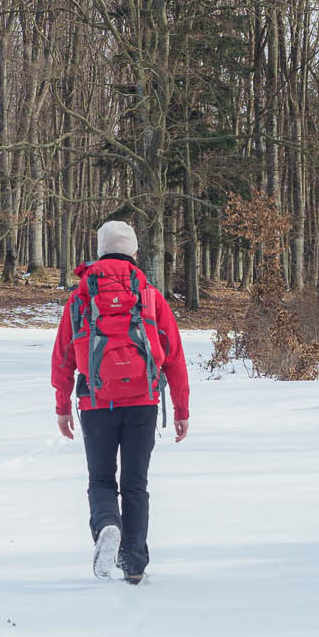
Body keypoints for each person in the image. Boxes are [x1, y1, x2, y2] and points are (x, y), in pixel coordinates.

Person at [50, 220, 190, 583]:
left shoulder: (82, 295)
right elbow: (173, 355)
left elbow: (63, 355)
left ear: (99, 250)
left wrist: (62, 405)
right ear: (133, 251)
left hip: (96, 401)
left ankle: (107, 525)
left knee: (100, 479)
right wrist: (181, 410)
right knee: (135, 484)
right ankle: (134, 564)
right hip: (143, 400)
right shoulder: (149, 295)